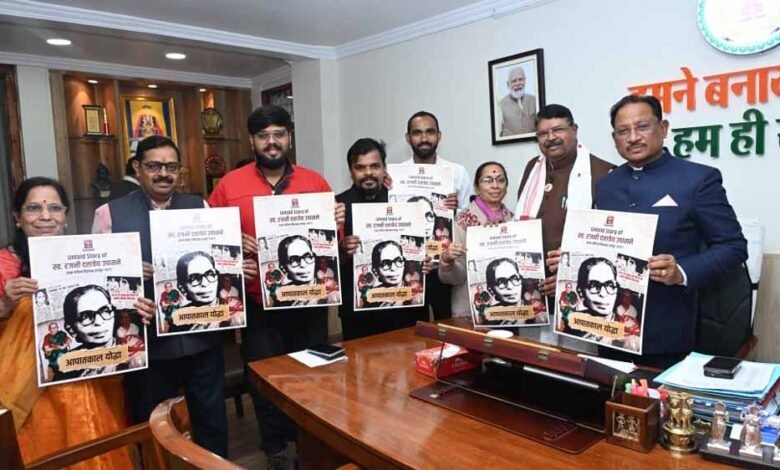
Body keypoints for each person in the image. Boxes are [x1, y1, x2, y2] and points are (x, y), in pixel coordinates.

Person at [208, 105, 345, 467]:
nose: (272, 142)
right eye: (264, 136)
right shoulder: (229, 185)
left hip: (310, 302)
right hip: (259, 305)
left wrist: (337, 222)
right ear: (252, 141)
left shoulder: (315, 183)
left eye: (279, 134)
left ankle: (310, 444)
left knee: (313, 375)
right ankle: (276, 448)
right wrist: (231, 241)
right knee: (265, 379)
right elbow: (210, 242)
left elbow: (335, 244)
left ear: (289, 138)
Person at [93, 135, 241, 457]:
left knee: (211, 417)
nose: (163, 174)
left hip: (201, 336)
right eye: (154, 166)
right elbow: (97, 278)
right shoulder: (110, 213)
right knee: (154, 425)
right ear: (137, 167)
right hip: (149, 344)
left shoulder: (200, 206)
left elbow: (217, 259)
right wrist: (127, 274)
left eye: (171, 167)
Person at [595, 95, 747, 366]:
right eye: (623, 131)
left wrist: (682, 272)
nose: (633, 137)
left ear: (663, 128)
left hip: (667, 330)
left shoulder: (698, 179)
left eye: (642, 126)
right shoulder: (606, 185)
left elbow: (734, 247)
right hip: (607, 328)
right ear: (614, 138)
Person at [0, 177, 142, 468]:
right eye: (33, 208)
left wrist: (138, 309)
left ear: (65, 217)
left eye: (54, 208)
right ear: (17, 217)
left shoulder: (88, 258)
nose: (45, 216)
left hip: (93, 379)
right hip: (30, 396)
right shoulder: (5, 264)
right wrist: (5, 304)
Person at [337, 138, 430, 339]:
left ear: (384, 168)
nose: (368, 173)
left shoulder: (402, 199)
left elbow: (427, 243)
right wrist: (342, 248)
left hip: (406, 310)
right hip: (359, 314)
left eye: (375, 166)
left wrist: (427, 259)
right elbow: (326, 259)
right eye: (360, 167)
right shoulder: (338, 205)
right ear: (350, 171)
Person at [400, 111, 474, 322]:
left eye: (430, 132)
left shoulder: (457, 172)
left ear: (439, 136)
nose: (424, 138)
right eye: (417, 133)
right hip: (409, 266)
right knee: (410, 328)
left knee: (448, 325)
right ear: (408, 138)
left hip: (445, 266)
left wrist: (455, 209)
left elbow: (468, 219)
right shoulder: (395, 175)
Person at [439, 162, 513, 318]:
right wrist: (447, 262)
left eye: (500, 180)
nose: (495, 185)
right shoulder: (462, 220)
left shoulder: (513, 220)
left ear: (506, 187)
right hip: (470, 309)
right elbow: (456, 277)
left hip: (508, 310)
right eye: (487, 180)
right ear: (477, 187)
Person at [499, 66, 537, 136]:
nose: (518, 83)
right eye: (514, 81)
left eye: (520, 79)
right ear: (508, 84)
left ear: (525, 80)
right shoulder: (500, 105)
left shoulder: (535, 100)